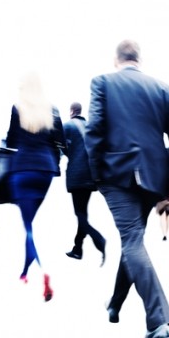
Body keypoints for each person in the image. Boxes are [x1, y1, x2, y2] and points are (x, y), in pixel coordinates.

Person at [86, 40, 169, 338]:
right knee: (134, 240)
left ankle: (157, 324)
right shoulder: (162, 89)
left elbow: (94, 130)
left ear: (116, 59)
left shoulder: (103, 82)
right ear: (138, 60)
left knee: (132, 240)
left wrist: (95, 174)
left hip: (117, 174)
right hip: (154, 176)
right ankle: (115, 304)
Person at [5, 72, 64, 302]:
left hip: (22, 169)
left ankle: (43, 271)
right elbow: (61, 142)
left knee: (29, 227)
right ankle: (25, 270)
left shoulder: (17, 108)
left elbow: (11, 141)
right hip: (45, 170)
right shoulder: (52, 109)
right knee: (36, 226)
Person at [61, 102, 106, 265]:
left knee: (79, 214)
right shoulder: (90, 127)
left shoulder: (67, 126)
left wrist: (70, 155)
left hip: (76, 175)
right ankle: (78, 249)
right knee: (82, 213)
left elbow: (61, 148)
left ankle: (98, 239)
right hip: (90, 175)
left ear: (71, 111)